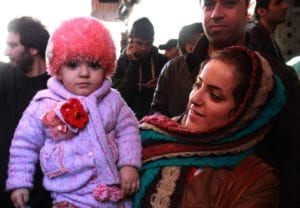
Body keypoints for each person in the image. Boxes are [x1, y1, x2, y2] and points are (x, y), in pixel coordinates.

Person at [6, 17, 142, 208]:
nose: (84, 73)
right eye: (73, 65)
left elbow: (129, 129)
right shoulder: (44, 103)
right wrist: (20, 182)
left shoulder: (113, 100)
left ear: (107, 67)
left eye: (94, 65)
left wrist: (129, 164)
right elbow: (24, 144)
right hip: (68, 197)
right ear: (58, 69)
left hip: (114, 192)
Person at [134, 46, 285, 208]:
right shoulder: (146, 136)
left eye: (215, 96)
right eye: (197, 85)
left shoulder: (254, 182)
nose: (195, 98)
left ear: (243, 115)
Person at [185, 0, 300, 206]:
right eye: (209, 4)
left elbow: (291, 160)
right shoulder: (174, 69)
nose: (216, 14)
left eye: (228, 4)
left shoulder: (278, 77)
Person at [0, 16, 51, 208]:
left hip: (39, 195)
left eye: (13, 45)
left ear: (34, 49)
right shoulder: (5, 76)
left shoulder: (57, 89)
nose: (6, 52)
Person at [112, 17, 168, 120]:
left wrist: (159, 86)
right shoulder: (122, 62)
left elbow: (169, 96)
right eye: (139, 43)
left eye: (148, 44)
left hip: (154, 120)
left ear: (153, 41)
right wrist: (133, 64)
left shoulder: (162, 61)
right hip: (126, 120)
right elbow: (119, 97)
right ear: (131, 39)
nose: (144, 48)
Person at [151, 22, 204, 117]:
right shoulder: (172, 67)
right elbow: (157, 109)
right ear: (190, 48)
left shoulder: (221, 66)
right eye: (204, 42)